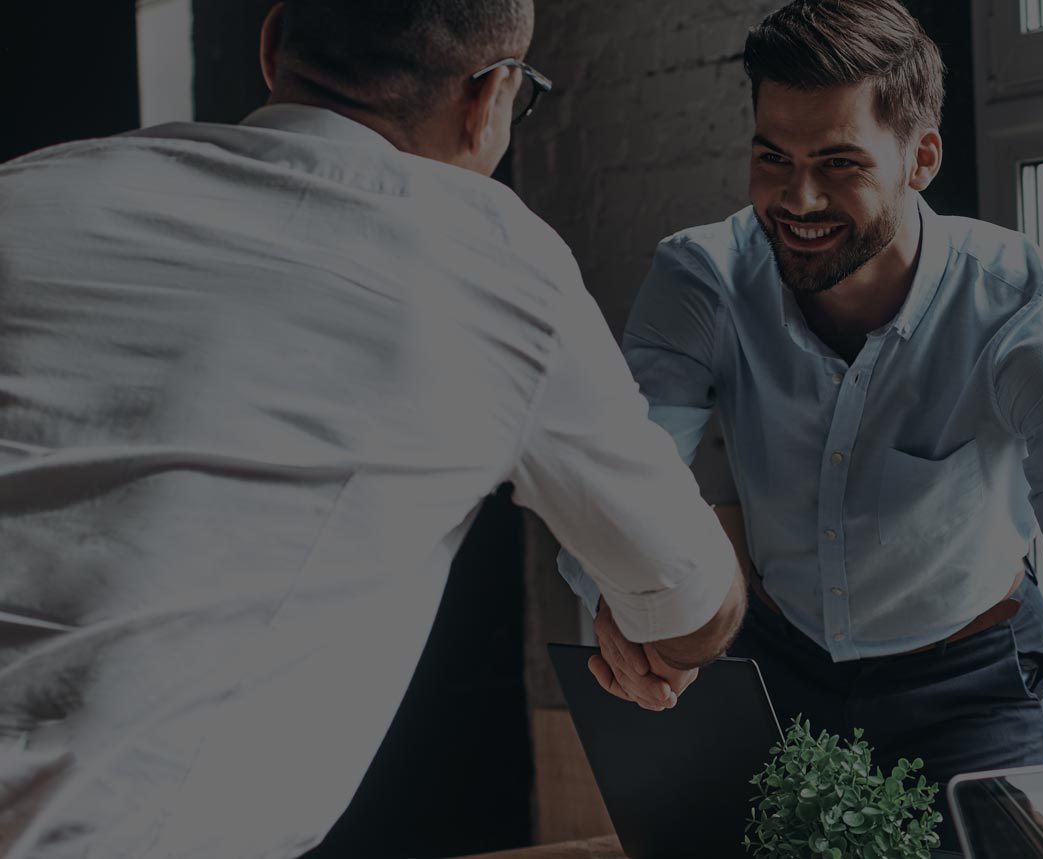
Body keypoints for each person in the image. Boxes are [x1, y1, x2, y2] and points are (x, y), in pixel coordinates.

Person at [0, 1, 747, 855]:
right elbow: (689, 602)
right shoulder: (488, 260)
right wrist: (659, 615)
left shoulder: (25, 195)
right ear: (489, 100)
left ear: (273, 45)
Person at [557, 0, 1043, 840]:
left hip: (967, 685)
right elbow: (621, 474)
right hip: (779, 664)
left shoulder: (1022, 306)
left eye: (838, 162)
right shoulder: (703, 278)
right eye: (773, 157)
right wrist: (617, 601)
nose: (798, 197)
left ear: (920, 158)